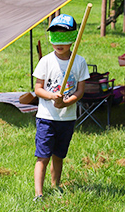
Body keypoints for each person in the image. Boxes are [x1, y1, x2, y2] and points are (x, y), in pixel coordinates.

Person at [32, 13, 88, 201]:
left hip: (67, 118)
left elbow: (80, 91)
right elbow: (38, 88)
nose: (59, 42)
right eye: (55, 36)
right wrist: (52, 96)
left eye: (64, 36)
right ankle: (38, 193)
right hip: (47, 117)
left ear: (73, 38)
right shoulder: (46, 61)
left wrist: (66, 102)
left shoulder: (79, 62)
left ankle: (56, 186)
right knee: (43, 156)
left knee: (58, 155)